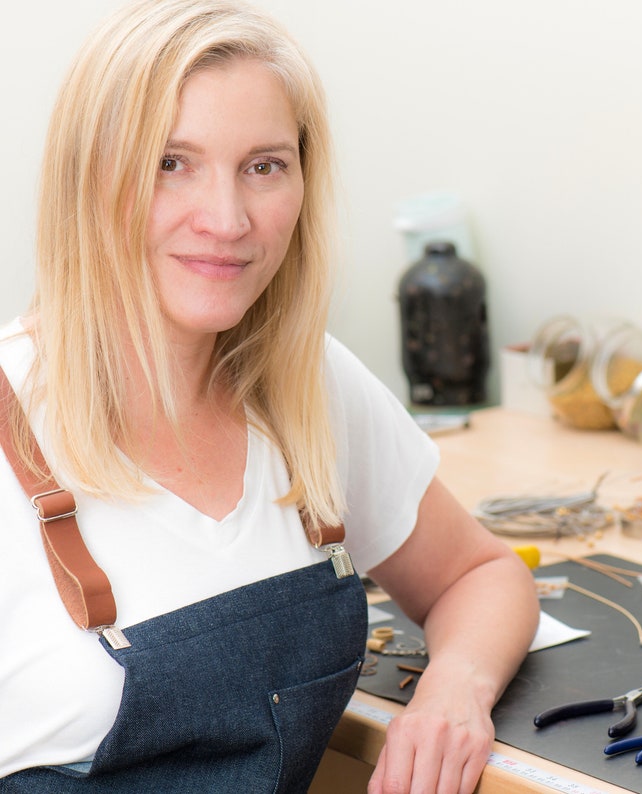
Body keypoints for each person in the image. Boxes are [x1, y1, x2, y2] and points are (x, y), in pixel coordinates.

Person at [0, 0, 539, 791]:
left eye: (264, 166)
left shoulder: (307, 385)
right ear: (90, 177)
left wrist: (453, 690)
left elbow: (481, 574)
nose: (227, 219)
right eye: (168, 161)